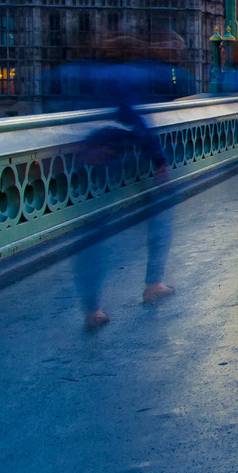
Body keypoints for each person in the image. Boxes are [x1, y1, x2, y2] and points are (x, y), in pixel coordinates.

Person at [71, 49, 174, 329]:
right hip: (120, 157)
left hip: (83, 155)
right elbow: (133, 117)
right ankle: (153, 283)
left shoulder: (82, 70)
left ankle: (91, 309)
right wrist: (159, 160)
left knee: (93, 235)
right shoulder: (131, 74)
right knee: (159, 216)